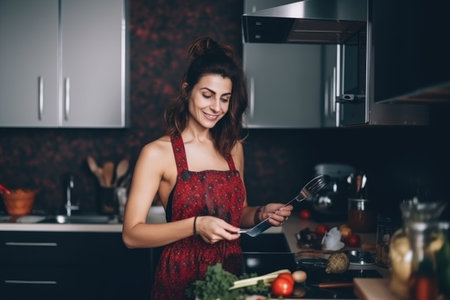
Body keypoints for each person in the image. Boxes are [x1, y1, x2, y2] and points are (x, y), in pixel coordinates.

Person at [122, 37, 293, 300]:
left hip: (229, 279)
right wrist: (195, 225)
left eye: (225, 99)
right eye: (207, 95)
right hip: (178, 282)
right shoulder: (157, 153)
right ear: (187, 90)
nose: (216, 107)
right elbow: (132, 235)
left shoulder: (232, 147)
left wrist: (260, 214)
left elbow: (238, 214)